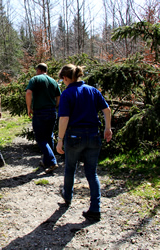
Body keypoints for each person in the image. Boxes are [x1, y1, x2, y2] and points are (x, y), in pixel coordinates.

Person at [56, 64, 112, 221]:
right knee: (92, 173)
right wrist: (108, 128)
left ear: (66, 78)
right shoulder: (92, 90)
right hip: (94, 135)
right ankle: (95, 208)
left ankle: (67, 197)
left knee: (70, 168)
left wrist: (60, 140)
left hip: (74, 136)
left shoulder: (67, 94)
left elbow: (64, 118)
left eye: (63, 80)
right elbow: (106, 110)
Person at [26, 63, 61, 173]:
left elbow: (28, 92)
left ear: (38, 70)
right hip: (51, 111)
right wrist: (54, 106)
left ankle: (52, 161)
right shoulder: (53, 81)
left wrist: (28, 107)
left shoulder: (35, 79)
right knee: (49, 136)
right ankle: (46, 162)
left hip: (40, 112)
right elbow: (59, 97)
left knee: (40, 138)